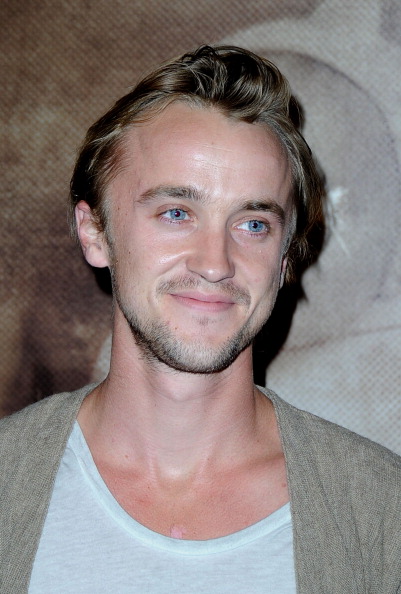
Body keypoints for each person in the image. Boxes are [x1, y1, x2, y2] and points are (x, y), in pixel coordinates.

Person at [1, 45, 400, 594]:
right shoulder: (9, 479)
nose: (215, 263)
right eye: (176, 213)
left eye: (253, 224)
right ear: (95, 232)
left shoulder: (381, 515)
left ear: (285, 259)